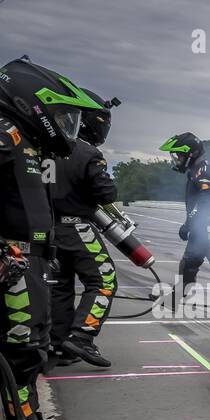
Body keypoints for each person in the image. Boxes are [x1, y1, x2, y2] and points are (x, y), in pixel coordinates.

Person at [1, 58, 100, 420]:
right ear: (32, 104)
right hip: (15, 264)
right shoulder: (4, 138)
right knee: (23, 352)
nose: (67, 126)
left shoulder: (23, 140)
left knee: (32, 349)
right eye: (61, 116)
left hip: (33, 261)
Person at [49, 91, 118, 368]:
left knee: (60, 286)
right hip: (76, 228)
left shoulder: (46, 146)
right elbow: (106, 193)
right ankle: (82, 337)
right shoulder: (87, 152)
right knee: (104, 280)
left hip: (48, 229)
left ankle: (57, 345)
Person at [159, 132, 210, 290]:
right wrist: (191, 225)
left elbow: (205, 201)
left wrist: (188, 224)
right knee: (188, 264)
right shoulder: (197, 170)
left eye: (178, 155)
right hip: (201, 229)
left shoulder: (203, 172)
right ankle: (177, 297)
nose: (176, 159)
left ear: (190, 154)